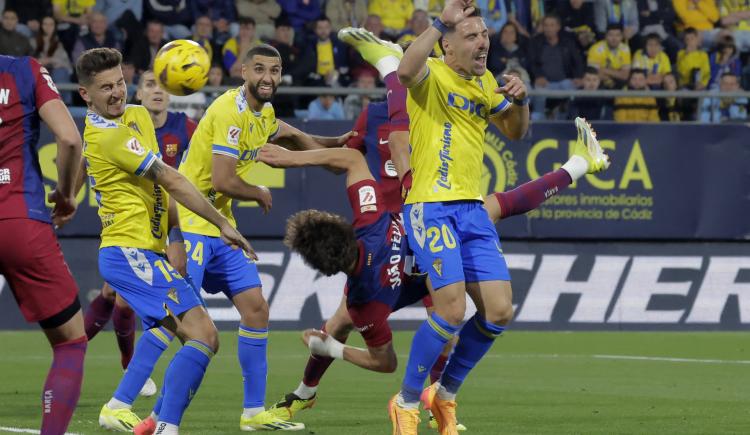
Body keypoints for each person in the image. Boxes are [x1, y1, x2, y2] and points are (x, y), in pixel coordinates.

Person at [133, 43, 354, 434]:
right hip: (193, 224)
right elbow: (222, 180)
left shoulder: (263, 112)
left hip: (220, 226)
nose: (268, 77)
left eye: (275, 70)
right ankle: (149, 414)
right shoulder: (230, 112)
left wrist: (338, 144)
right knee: (180, 323)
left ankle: (253, 413)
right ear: (243, 71)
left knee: (256, 309)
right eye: (260, 69)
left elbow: (296, 136)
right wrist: (259, 192)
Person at [75, 47, 251, 434]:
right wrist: (221, 221)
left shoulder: (136, 117)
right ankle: (161, 423)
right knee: (203, 334)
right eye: (105, 88)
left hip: (146, 248)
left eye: (120, 82)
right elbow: (170, 179)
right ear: (85, 95)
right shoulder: (106, 137)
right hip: (127, 251)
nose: (117, 92)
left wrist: (175, 237)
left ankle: (124, 405)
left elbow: (161, 194)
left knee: (170, 328)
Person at [391, 0, 532, 432]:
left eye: (484, 35)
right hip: (430, 206)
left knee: (500, 311)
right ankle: (407, 401)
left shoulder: (486, 82)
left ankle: (444, 394)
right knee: (450, 311)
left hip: (471, 210)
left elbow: (516, 132)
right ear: (448, 47)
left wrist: (523, 101)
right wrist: (440, 22)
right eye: (471, 36)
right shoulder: (432, 74)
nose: (483, 41)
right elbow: (403, 71)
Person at [84, 71, 199, 408]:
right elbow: (85, 156)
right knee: (122, 298)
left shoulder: (186, 127)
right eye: (150, 85)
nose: (157, 91)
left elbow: (191, 174)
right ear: (138, 92)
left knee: (156, 309)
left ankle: (89, 358)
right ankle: (118, 365)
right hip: (133, 225)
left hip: (171, 220)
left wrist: (177, 233)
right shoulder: (120, 126)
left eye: (163, 85)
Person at [0, 54, 85, 435]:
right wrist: (66, 194)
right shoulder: (24, 69)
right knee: (70, 342)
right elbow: (68, 138)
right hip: (19, 220)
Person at [587, 23, 631, 89]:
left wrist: (604, 70)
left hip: (619, 82)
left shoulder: (625, 48)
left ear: (622, 37)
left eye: (617, 35)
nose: (614, 38)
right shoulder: (595, 49)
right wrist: (617, 73)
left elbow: (625, 75)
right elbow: (593, 75)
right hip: (599, 83)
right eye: (611, 35)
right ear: (606, 36)